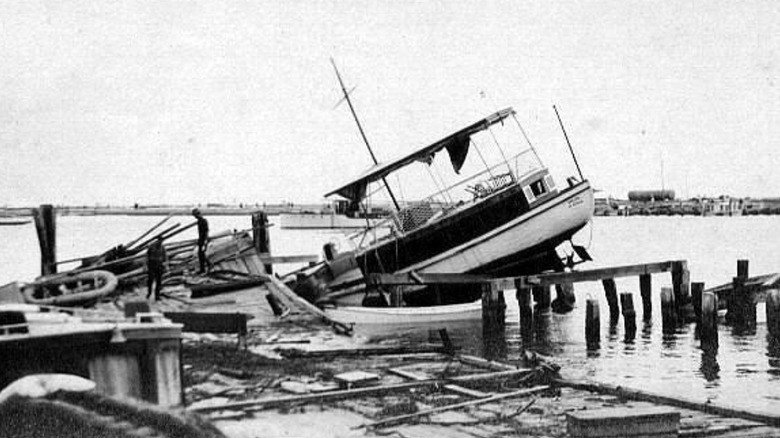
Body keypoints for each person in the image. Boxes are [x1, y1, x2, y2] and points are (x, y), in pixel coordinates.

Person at [146, 236, 167, 300]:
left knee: (159, 281)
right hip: (152, 264)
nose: (160, 242)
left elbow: (165, 256)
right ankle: (149, 293)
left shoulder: (162, 247)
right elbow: (147, 256)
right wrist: (145, 266)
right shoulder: (151, 246)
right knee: (150, 280)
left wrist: (165, 265)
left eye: (162, 241)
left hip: (159, 265)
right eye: (159, 241)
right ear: (157, 240)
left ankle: (157, 296)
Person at [192, 208, 210, 273]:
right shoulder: (199, 221)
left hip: (203, 240)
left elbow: (206, 231)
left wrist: (205, 241)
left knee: (202, 254)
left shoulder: (203, 221)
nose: (195, 217)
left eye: (195, 215)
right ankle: (203, 269)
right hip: (201, 240)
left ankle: (207, 266)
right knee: (201, 254)